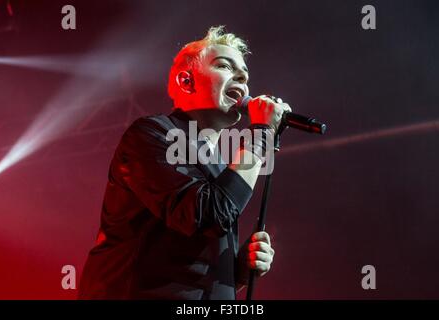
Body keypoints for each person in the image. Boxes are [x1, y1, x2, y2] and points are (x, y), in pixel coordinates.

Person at [78, 26, 291, 300]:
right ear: (186, 81)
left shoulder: (219, 165)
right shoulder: (151, 134)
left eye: (245, 74)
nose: (241, 77)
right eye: (225, 66)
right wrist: (261, 133)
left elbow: (193, 252)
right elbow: (207, 215)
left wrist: (237, 271)